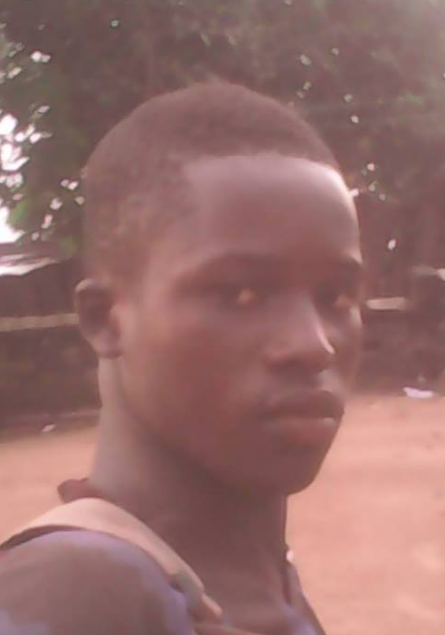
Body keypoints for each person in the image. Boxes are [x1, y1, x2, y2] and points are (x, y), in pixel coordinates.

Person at [0, 82, 363, 635]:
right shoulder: (73, 595)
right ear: (105, 318)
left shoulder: (254, 584)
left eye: (334, 296)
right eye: (241, 293)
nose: (314, 344)